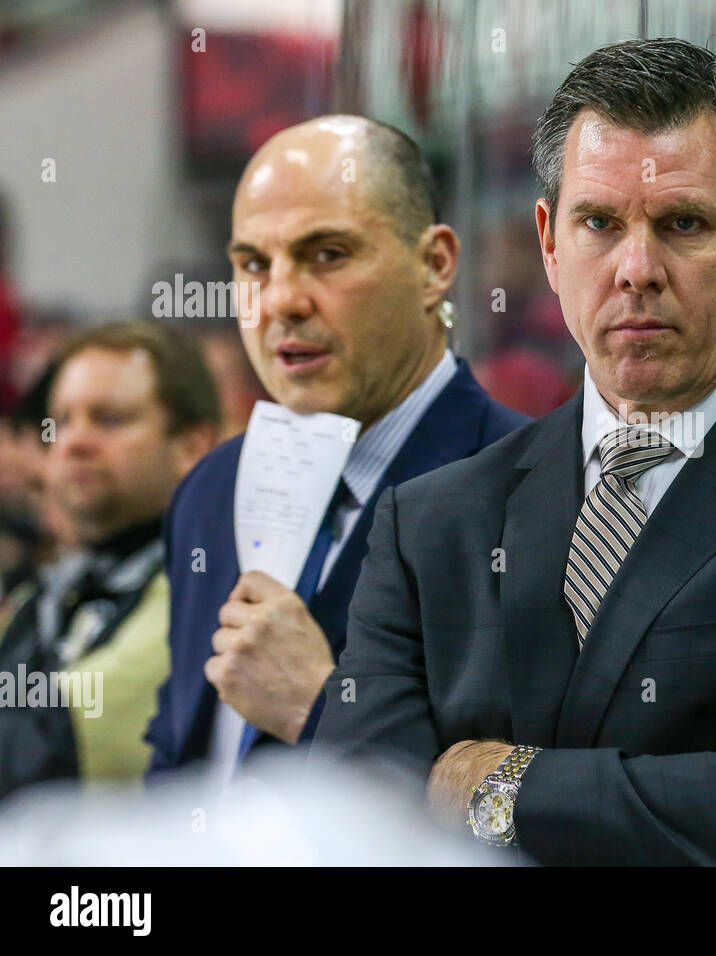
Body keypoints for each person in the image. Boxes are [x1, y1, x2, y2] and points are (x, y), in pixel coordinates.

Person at [313, 38, 716, 866]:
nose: (637, 269)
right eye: (600, 223)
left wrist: (490, 785)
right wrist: (706, 788)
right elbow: (358, 820)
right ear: (550, 246)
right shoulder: (431, 523)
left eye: (683, 224)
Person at [145, 116, 528, 781]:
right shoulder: (209, 492)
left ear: (434, 265)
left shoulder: (536, 499)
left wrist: (319, 710)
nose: (283, 300)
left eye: (327, 254)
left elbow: (531, 812)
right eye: (254, 265)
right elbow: (177, 754)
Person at [0, 320, 220, 796]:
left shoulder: (202, 587)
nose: (74, 443)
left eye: (109, 419)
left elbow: (47, 758)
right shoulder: (47, 592)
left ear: (191, 445)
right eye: (60, 422)